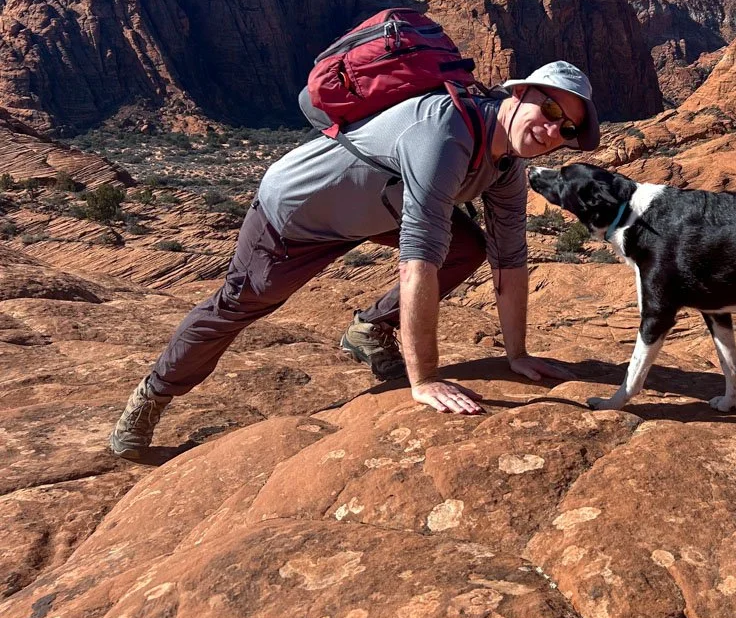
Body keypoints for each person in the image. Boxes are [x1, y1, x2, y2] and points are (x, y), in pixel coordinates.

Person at [110, 61, 601, 459]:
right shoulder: (443, 134)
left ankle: (369, 329)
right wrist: (425, 380)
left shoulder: (507, 168)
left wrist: (517, 355)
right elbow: (418, 262)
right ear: (519, 93)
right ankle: (153, 394)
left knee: (468, 247)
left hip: (375, 209)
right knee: (242, 304)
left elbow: (509, 260)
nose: (552, 128)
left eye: (567, 126)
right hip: (298, 214)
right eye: (549, 108)